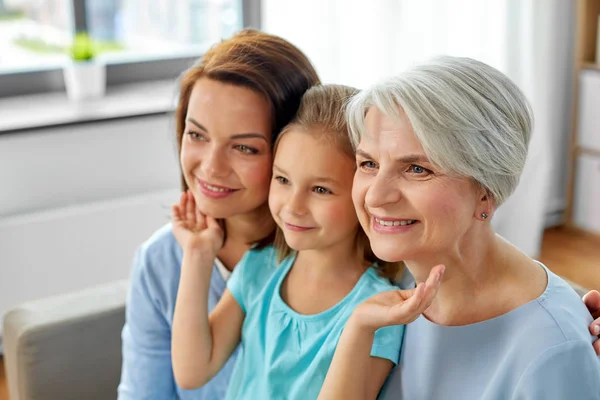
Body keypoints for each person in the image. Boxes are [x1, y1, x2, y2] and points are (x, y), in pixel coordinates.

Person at [319, 56, 600, 399]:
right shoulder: (384, 281)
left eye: (417, 169)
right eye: (369, 163)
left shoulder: (551, 351)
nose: (375, 196)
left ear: (487, 192)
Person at [171, 84, 438, 400]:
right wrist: (198, 254)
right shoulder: (261, 268)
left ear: (363, 193)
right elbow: (192, 372)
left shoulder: (380, 310)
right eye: (283, 180)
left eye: (321, 190)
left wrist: (361, 327)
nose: (293, 206)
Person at [117, 29, 320, 400]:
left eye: (243, 147)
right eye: (197, 135)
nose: (211, 167)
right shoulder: (160, 262)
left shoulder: (329, 261)